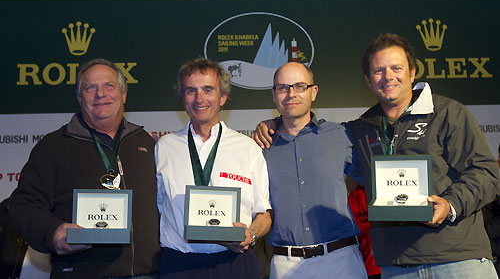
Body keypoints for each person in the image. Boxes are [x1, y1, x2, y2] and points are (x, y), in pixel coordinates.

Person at [253, 34, 499, 278]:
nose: (388, 76)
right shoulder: (359, 130)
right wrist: (273, 123)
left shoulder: (448, 113)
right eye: (378, 71)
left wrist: (451, 204)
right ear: (369, 81)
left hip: (458, 259)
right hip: (397, 266)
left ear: (412, 73)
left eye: (396, 68)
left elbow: (487, 172)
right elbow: (299, 126)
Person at [9, 59, 160, 279]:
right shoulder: (53, 147)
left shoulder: (148, 145)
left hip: (149, 275)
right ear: (80, 98)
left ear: (124, 94)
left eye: (109, 85)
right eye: (91, 88)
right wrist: (53, 233)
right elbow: (23, 207)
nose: (100, 94)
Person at [155, 58, 272, 279]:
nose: (199, 99)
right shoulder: (164, 147)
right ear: (182, 98)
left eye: (208, 89)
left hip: (235, 262)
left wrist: (251, 235)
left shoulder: (247, 148)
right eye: (191, 91)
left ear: (223, 97)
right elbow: (159, 209)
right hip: (179, 264)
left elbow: (264, 214)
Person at [261, 62, 367, 279]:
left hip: (341, 261)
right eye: (283, 87)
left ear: (313, 92)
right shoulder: (260, 146)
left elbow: (376, 180)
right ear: (274, 95)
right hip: (286, 266)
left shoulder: (340, 135)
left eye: (300, 86)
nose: (291, 93)